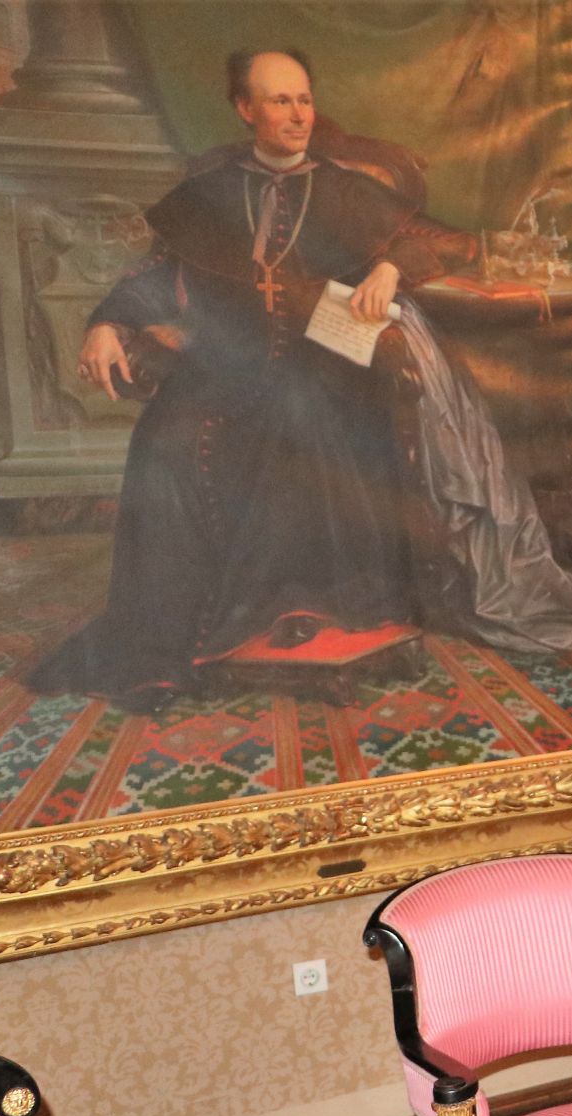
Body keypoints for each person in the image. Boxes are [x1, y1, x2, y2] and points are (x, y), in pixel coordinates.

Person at [34, 49, 479, 710]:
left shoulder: (346, 188)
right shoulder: (208, 193)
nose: (298, 115)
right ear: (246, 110)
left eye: (304, 100)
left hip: (325, 367)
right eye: (279, 101)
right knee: (164, 444)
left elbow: (450, 242)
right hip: (224, 364)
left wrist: (391, 268)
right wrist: (106, 321)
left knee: (301, 419)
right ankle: (163, 644)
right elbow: (157, 272)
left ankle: (293, 611)